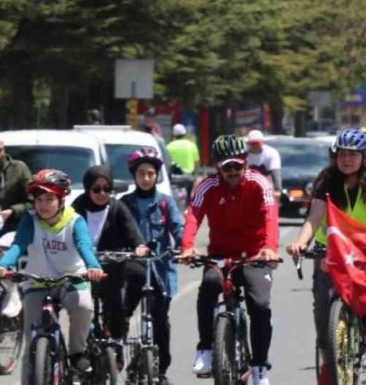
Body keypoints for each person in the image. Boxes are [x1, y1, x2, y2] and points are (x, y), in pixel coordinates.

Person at [285, 129, 366, 373]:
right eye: (341, 154)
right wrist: (301, 242)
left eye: (353, 154)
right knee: (322, 303)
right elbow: (314, 217)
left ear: (363, 157)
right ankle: (327, 359)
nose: (346, 159)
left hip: (364, 244)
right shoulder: (325, 179)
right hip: (331, 246)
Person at [181, 135, 279, 385]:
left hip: (255, 255)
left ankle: (259, 367)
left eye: (237, 166)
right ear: (218, 168)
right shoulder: (207, 186)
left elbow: (270, 215)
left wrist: (269, 247)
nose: (232, 171)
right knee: (209, 287)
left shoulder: (260, 183)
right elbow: (194, 215)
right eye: (227, 167)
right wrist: (187, 247)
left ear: (246, 163)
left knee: (260, 305)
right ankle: (205, 348)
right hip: (220, 255)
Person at [0, 170, 105, 376]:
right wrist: (5, 264)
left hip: (71, 279)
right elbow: (19, 244)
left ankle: (77, 353)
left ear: (62, 199)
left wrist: (93, 266)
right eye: (39, 199)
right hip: (37, 282)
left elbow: (84, 246)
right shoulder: (30, 219)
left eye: (49, 199)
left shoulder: (74, 220)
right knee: (32, 345)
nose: (42, 205)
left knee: (83, 305)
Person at [120, 148, 184, 385]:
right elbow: (115, 231)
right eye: (141, 173)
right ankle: (116, 354)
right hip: (131, 271)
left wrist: (183, 245)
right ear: (134, 176)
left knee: (160, 321)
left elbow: (178, 228)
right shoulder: (125, 203)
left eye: (150, 173)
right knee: (121, 314)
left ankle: (162, 369)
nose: (146, 178)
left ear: (157, 175)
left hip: (160, 272)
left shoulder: (166, 203)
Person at [71, 165, 147, 347]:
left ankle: (117, 343)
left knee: (117, 303)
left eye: (107, 189)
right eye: (96, 189)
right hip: (83, 266)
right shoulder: (77, 207)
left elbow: (132, 231)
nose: (102, 193)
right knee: (80, 307)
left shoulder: (117, 208)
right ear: (88, 188)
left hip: (112, 265)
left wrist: (139, 246)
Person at [246, 129, 282, 198]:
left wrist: (278, 189)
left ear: (262, 142)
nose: (255, 146)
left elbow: (275, 172)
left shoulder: (271, 153)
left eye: (257, 143)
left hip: (267, 187)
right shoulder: (244, 155)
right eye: (252, 143)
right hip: (249, 187)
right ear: (248, 144)